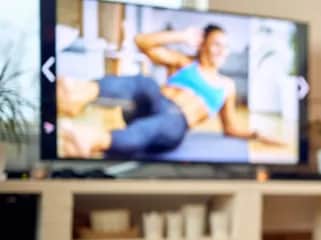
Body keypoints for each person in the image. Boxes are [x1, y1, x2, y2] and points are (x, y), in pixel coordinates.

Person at [57, 24, 284, 158]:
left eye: (225, 47)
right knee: (145, 83)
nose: (221, 51)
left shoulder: (227, 86)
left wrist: (257, 135)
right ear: (203, 44)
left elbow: (230, 127)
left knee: (165, 120)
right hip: (150, 105)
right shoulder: (183, 62)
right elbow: (141, 42)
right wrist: (182, 36)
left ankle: (92, 141)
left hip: (175, 124)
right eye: (216, 44)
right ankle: (76, 96)